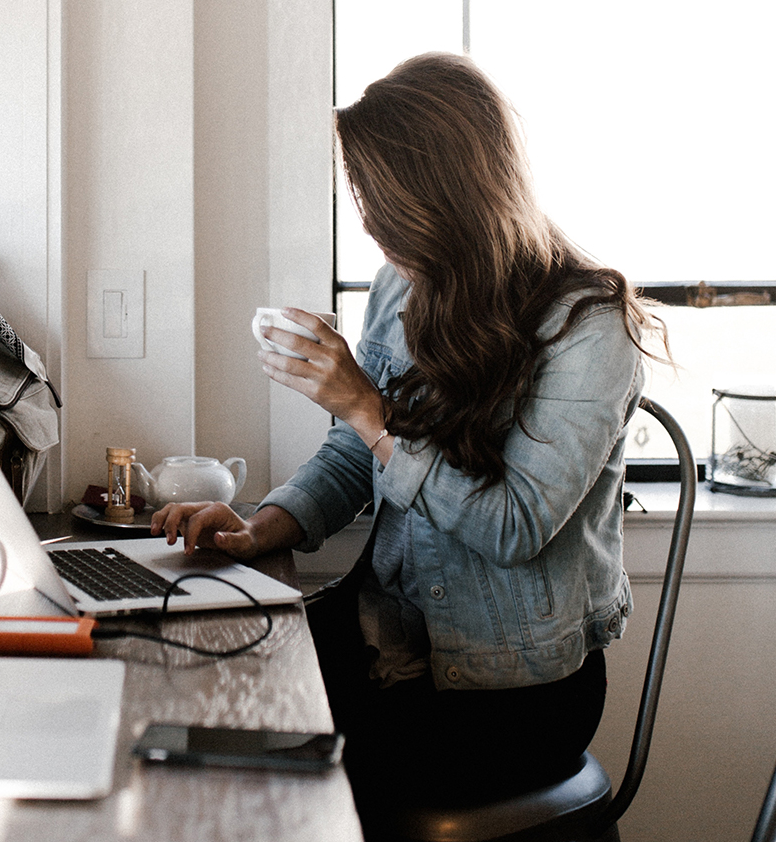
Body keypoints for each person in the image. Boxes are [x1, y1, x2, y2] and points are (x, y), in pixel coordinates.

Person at [150, 52, 670, 827]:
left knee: (261, 767)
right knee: (187, 689)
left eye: (380, 202)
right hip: (387, 639)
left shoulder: (589, 327)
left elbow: (514, 527)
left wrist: (368, 409)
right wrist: (263, 527)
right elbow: (353, 453)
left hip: (513, 692)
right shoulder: (405, 282)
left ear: (446, 195)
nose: (369, 223)